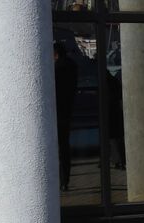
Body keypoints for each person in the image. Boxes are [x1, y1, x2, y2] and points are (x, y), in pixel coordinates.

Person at [53, 41, 78, 190]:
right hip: (67, 110)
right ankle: (64, 181)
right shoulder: (72, 66)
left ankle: (60, 180)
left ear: (55, 54)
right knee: (64, 147)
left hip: (56, 111)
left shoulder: (56, 69)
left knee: (55, 148)